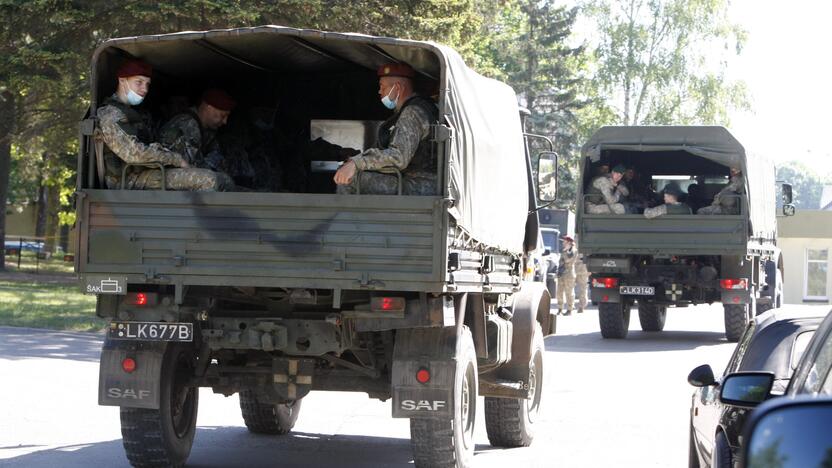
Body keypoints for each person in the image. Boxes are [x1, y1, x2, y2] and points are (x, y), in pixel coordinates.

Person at [96, 59, 230, 191]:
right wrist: (175, 159)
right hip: (129, 180)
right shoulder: (110, 114)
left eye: (147, 84)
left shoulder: (135, 112)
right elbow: (134, 154)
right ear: (122, 80)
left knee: (223, 179)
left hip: (147, 171)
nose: (145, 89)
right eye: (139, 82)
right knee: (210, 180)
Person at [334, 63, 438, 195]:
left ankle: (344, 216)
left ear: (398, 87)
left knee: (348, 179)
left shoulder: (412, 113)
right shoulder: (419, 108)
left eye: (382, 87)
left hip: (418, 185)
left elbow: (398, 157)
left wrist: (357, 163)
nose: (379, 91)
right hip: (421, 183)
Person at [157, 88, 237, 189]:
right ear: (208, 108)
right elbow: (190, 166)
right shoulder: (187, 125)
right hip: (169, 177)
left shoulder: (206, 130)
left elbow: (216, 157)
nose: (225, 121)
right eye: (222, 115)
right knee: (221, 180)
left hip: (184, 176)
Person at [557, 236, 578, 315]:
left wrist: (566, 252)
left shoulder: (574, 251)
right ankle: (560, 308)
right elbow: (561, 262)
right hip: (561, 273)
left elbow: (568, 260)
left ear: (569, 243)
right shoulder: (564, 251)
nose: (563, 243)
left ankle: (569, 309)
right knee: (559, 292)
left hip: (569, 274)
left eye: (564, 242)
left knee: (569, 292)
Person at [574, 248, 589, 314]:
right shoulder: (574, 249)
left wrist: (590, 270)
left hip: (583, 272)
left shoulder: (587, 249)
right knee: (569, 288)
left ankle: (581, 307)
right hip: (574, 271)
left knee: (583, 289)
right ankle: (570, 306)